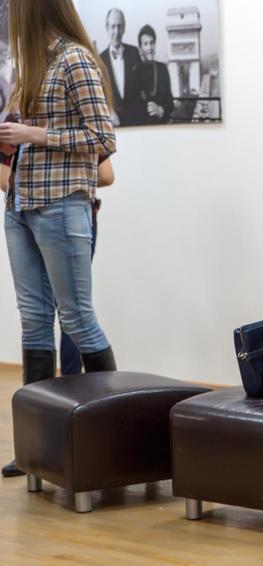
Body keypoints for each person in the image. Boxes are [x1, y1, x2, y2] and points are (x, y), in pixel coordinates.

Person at [0, 0, 117, 479]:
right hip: (20, 207)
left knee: (77, 318)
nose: (6, 12)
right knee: (32, 322)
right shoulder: (32, 65)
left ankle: (113, 438)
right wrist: (12, 139)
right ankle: (36, 447)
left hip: (62, 203)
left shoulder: (76, 59)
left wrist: (35, 133)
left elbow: (103, 136)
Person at [99, 8, 140, 126]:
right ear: (107, 28)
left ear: (124, 28)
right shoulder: (100, 60)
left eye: (119, 26)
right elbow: (100, 93)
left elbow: (141, 88)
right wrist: (109, 112)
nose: (116, 31)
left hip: (135, 123)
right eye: (113, 27)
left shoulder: (134, 53)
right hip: (113, 125)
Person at [130, 25, 173, 125]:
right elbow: (131, 108)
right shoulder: (134, 73)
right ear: (140, 47)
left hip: (161, 127)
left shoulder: (162, 69)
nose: (149, 47)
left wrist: (161, 110)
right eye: (145, 44)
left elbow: (170, 102)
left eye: (152, 43)